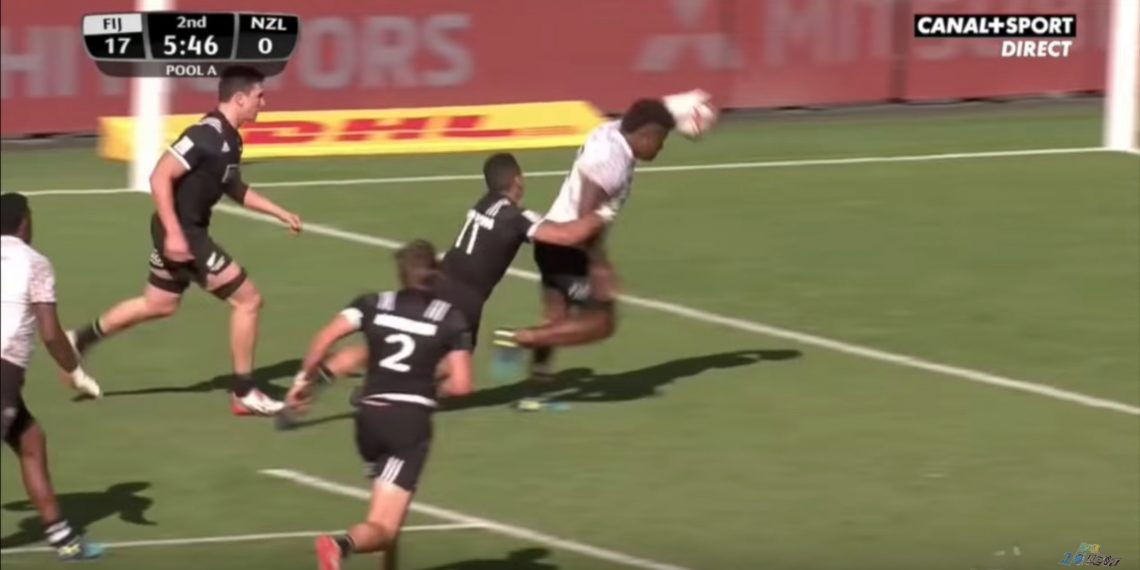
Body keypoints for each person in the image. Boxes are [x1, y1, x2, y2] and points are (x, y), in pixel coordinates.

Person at [66, 66, 303, 416]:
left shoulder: (231, 140)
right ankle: (244, 392)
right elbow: (159, 175)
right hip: (184, 234)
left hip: (180, 231)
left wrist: (278, 212)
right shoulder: (204, 135)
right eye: (259, 96)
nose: (263, 103)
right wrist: (175, 233)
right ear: (240, 98)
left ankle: (79, 339)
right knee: (248, 300)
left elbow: (234, 187)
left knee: (159, 304)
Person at [312, 152, 616, 384]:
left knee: (410, 342)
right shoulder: (515, 217)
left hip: (439, 280)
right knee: (449, 369)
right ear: (518, 181)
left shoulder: (483, 204)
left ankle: (336, 367)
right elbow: (565, 236)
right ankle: (383, 387)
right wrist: (601, 215)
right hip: (464, 299)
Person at [284, 240, 474, 570]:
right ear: (436, 273)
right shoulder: (451, 318)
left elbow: (325, 338)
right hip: (407, 426)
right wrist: (428, 387)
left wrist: (302, 382)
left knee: (385, 515)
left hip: (368, 420)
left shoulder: (372, 303)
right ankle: (340, 545)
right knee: (383, 529)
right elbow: (461, 385)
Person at [492, 98, 676, 388]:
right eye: (660, 140)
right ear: (646, 135)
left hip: (550, 236)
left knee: (556, 317)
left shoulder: (614, 131)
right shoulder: (612, 163)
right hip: (570, 246)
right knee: (602, 322)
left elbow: (645, 113)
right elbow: (584, 217)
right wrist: (599, 266)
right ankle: (518, 339)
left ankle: (537, 384)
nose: (661, 147)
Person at [0, 192, 104, 560]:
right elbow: (50, 332)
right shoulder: (35, 263)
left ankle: (62, 536)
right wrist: (74, 369)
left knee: (31, 441)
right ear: (24, 222)